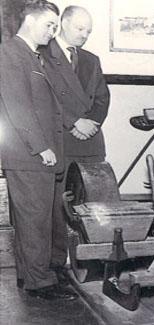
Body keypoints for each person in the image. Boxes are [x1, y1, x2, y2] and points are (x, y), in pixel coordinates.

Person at [0, 0, 77, 300]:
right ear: (30, 21)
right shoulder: (11, 53)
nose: (53, 31)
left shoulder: (31, 55)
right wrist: (41, 147)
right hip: (29, 154)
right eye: (49, 25)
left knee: (33, 219)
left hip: (33, 154)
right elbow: (17, 107)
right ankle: (41, 283)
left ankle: (28, 275)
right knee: (35, 220)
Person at [40, 5, 110, 279]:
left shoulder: (92, 59)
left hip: (89, 142)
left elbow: (103, 97)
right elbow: (45, 97)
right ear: (62, 24)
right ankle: (57, 265)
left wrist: (91, 122)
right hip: (59, 140)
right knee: (58, 205)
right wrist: (73, 122)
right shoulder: (42, 53)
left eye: (88, 31)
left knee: (91, 203)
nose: (84, 35)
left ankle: (90, 262)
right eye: (80, 29)